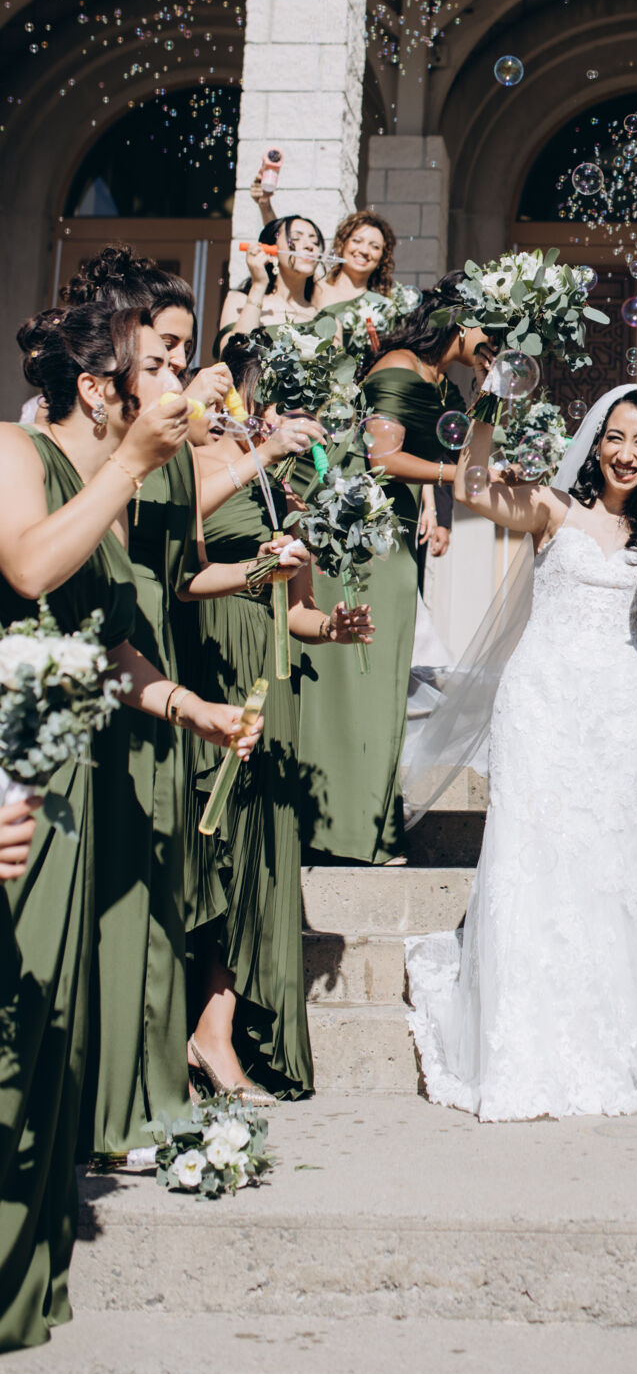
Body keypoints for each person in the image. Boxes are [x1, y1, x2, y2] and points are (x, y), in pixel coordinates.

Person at [0, 303, 259, 1352]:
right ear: (99, 388)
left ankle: (22, 1274)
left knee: (47, 1022)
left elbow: (109, 648)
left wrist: (191, 708)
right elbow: (28, 571)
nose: (179, 385)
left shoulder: (113, 484)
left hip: (77, 772)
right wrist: (133, 466)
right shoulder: (17, 452)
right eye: (156, 368)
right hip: (13, 770)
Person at [403, 385, 637, 1122]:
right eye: (616, 437)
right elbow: (472, 489)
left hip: (622, 710)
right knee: (528, 849)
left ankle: (602, 1025)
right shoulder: (552, 507)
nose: (627, 454)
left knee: (608, 857)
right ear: (595, 443)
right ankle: (515, 1031)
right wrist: (488, 404)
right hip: (541, 699)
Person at [183, 340, 371, 1102]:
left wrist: (333, 629)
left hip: (264, 672)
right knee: (207, 853)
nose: (262, 414)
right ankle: (171, 1034)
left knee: (252, 858)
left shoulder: (280, 484)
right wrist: (259, 453)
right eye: (254, 399)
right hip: (199, 663)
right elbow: (179, 541)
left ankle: (217, 1031)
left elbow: (296, 609)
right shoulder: (190, 457)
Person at [297, 275, 491, 865]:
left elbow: (459, 449)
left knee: (384, 682)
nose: (497, 340)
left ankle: (373, 826)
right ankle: (346, 829)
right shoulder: (399, 370)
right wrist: (452, 479)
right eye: (490, 328)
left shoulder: (438, 378)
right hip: (366, 543)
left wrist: (491, 390)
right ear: (460, 321)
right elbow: (382, 457)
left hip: (395, 533)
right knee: (367, 677)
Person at [217, 214, 325, 342]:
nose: (309, 246)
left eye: (315, 241)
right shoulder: (239, 302)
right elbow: (234, 351)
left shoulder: (325, 321)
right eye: (295, 238)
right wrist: (258, 285)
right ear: (272, 252)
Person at [313, 209, 398, 312]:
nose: (364, 251)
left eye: (375, 246)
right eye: (357, 241)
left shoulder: (383, 307)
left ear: (383, 257)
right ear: (342, 244)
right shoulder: (315, 290)